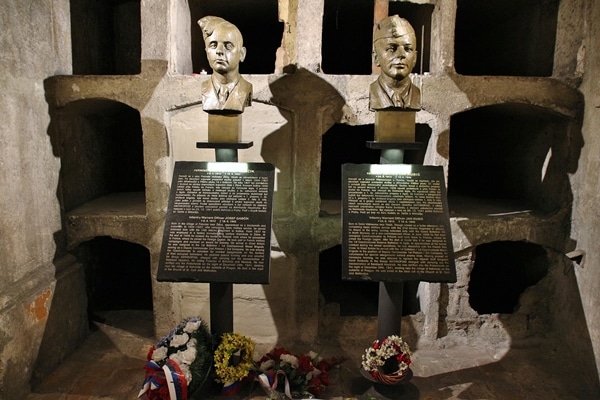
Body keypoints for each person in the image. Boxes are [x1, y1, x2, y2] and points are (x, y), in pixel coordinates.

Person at [198, 16, 252, 113]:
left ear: (242, 54)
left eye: (228, 46)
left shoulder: (246, 89)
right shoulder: (204, 88)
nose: (219, 51)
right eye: (213, 45)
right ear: (206, 52)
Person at [370, 15, 421, 111]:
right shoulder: (372, 93)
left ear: (414, 58)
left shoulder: (417, 94)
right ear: (376, 57)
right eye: (392, 48)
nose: (401, 54)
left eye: (407, 49)